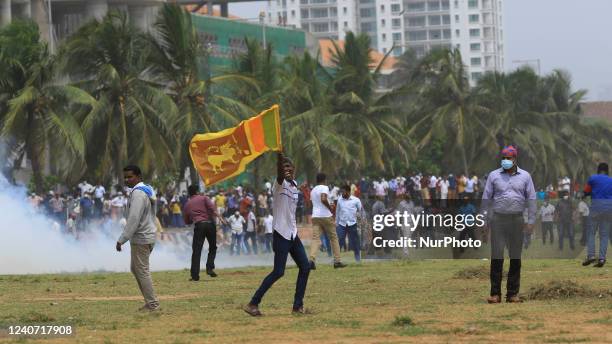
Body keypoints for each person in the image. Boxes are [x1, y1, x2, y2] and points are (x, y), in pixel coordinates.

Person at [244, 152, 311, 316]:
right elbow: (281, 174)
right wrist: (280, 158)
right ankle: (253, 303)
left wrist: (306, 192)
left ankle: (297, 306)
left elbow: (305, 205)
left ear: (294, 170)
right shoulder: (279, 184)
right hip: (281, 233)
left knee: (305, 266)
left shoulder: (294, 185)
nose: (287, 170)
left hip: (292, 234)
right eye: (284, 167)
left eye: (289, 167)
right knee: (278, 272)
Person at [481, 145, 536, 303]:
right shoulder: (493, 176)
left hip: (517, 220)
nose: (506, 161)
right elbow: (486, 199)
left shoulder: (525, 176)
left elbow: (531, 199)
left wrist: (531, 221)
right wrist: (483, 220)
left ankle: (512, 294)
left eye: (509, 158)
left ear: (515, 159)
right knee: (497, 257)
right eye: (503, 158)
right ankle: (495, 294)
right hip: (498, 220)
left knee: (515, 257)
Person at [115, 165, 160, 311]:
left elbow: (134, 218)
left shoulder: (138, 194)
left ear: (138, 176)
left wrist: (122, 238)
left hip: (141, 237)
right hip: (147, 235)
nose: (127, 180)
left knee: (141, 270)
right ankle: (150, 303)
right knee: (136, 269)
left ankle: (152, 304)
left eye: (130, 177)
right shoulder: (147, 190)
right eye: (125, 177)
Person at [183, 184, 225, 281]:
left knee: (197, 251)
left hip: (199, 225)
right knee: (213, 247)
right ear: (197, 191)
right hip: (210, 224)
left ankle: (195, 276)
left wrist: (193, 218)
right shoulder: (204, 198)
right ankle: (210, 268)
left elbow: (187, 221)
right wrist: (220, 218)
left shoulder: (187, 205)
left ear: (189, 193)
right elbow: (212, 208)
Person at [308, 173, 347, 270]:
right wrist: (330, 208)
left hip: (315, 216)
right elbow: (323, 199)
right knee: (333, 238)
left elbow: (310, 203)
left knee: (315, 239)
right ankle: (337, 261)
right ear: (324, 180)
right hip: (325, 216)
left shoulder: (313, 190)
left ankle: (311, 260)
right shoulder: (324, 187)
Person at [582, 162, 612, 267]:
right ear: (607, 171)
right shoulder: (611, 180)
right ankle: (602, 259)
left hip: (596, 207)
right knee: (604, 235)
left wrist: (587, 194)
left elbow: (586, 192)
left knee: (591, 232)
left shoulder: (593, 178)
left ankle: (591, 256)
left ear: (598, 170)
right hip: (609, 209)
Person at [335, 184, 364, 262]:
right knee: (339, 240)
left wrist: (361, 222)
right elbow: (337, 212)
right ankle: (336, 259)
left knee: (355, 242)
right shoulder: (339, 200)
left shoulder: (356, 200)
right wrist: (336, 223)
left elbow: (361, 211)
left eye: (343, 192)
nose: (342, 194)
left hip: (353, 224)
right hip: (342, 224)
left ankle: (357, 258)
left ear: (348, 192)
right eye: (341, 192)